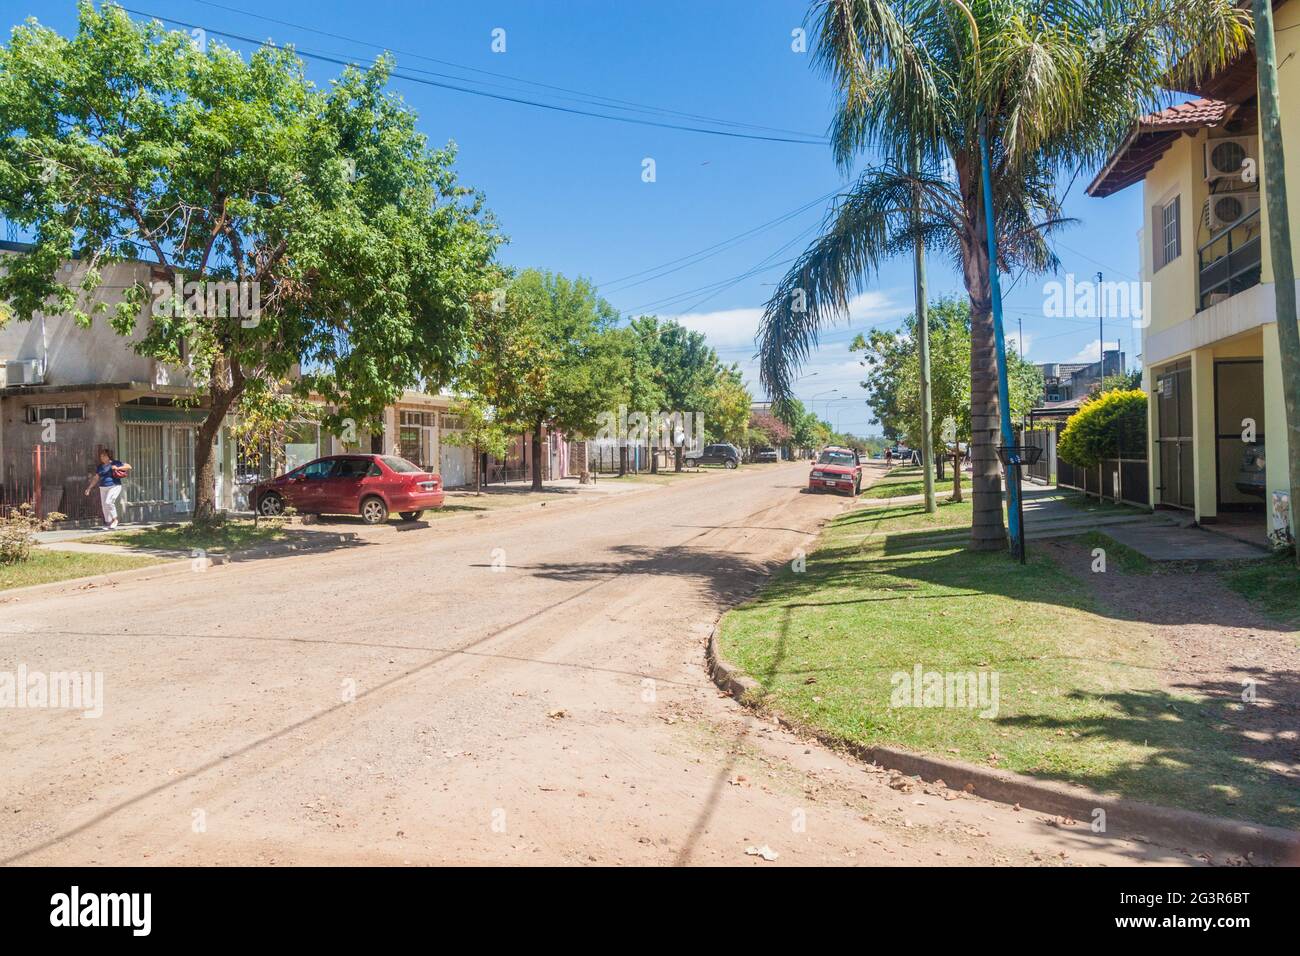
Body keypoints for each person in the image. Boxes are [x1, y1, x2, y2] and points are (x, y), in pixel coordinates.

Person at [84, 449, 131, 529]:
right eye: (101, 456)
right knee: (104, 506)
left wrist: (117, 468)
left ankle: (115, 519)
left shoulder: (115, 463)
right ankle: (108, 523)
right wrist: (89, 488)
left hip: (114, 486)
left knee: (108, 502)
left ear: (108, 456)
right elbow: (96, 478)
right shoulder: (100, 467)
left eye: (104, 456)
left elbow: (129, 466)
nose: (102, 458)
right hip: (103, 487)